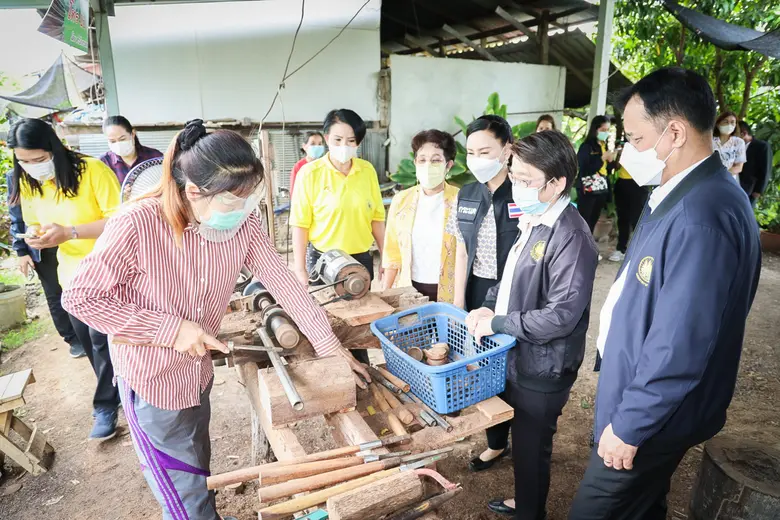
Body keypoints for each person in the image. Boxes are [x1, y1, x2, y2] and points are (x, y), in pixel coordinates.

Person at [61, 120, 371, 520]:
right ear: (194, 191)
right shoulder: (137, 223)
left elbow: (285, 283)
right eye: (232, 201)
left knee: (198, 464)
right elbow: (81, 298)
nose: (244, 211)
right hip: (152, 381)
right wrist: (170, 330)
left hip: (196, 374)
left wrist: (330, 347)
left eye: (250, 198)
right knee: (186, 498)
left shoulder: (243, 223)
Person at [568, 67, 761, 520]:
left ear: (674, 132)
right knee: (642, 504)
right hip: (642, 395)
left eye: (635, 140)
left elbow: (681, 343)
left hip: (652, 416)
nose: (627, 152)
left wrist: (631, 425)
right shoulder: (682, 192)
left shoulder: (702, 214)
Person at [466, 130, 598, 520]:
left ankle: (530, 511)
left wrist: (500, 323)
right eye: (515, 176)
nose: (517, 187)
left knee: (532, 446)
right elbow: (512, 280)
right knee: (523, 444)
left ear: (557, 183)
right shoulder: (537, 218)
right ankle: (524, 502)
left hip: (545, 365)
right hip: (520, 354)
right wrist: (488, 308)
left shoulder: (571, 236)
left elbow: (561, 316)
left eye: (526, 181)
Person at [8, 118, 122, 440]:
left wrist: (71, 232)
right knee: (85, 339)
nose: (32, 167)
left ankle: (105, 406)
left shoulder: (92, 171)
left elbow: (120, 220)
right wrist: (35, 237)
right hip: (70, 273)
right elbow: (33, 221)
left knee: (101, 340)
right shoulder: (28, 182)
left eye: (39, 159)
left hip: (107, 269)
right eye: (24, 161)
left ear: (53, 148)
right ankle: (117, 391)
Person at [290, 109, 385, 288]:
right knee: (325, 313)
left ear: (359, 142)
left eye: (351, 141)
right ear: (327, 138)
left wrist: (385, 257)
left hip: (361, 259)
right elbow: (300, 225)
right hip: (324, 260)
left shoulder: (367, 171)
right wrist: (300, 269)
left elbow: (377, 219)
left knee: (363, 312)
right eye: (338, 140)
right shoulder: (309, 173)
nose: (344, 146)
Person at [6, 168, 83, 358]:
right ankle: (73, 338)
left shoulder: (63, 167)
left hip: (73, 237)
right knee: (55, 293)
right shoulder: (15, 176)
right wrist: (21, 250)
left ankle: (92, 332)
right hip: (42, 245)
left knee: (81, 287)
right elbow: (17, 216)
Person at [447, 115, 518, 312]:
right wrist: (459, 301)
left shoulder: (525, 193)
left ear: (507, 150)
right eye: (471, 153)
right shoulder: (466, 194)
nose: (476, 160)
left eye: (484, 152)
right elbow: (461, 253)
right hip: (476, 287)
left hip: (517, 289)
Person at [382, 129, 459, 302]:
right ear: (415, 162)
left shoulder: (460, 200)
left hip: (449, 291)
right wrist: (385, 294)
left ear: (448, 165)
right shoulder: (401, 201)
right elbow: (392, 252)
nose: (428, 165)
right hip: (409, 289)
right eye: (422, 160)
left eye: (436, 160)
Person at [576, 115, 616, 234]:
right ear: (595, 129)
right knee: (584, 220)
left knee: (594, 220)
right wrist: (602, 158)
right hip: (588, 190)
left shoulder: (604, 146)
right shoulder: (587, 147)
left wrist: (611, 161)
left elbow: (606, 170)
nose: (606, 133)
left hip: (601, 188)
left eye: (608, 130)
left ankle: (589, 245)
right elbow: (584, 168)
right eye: (603, 130)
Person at [100, 115, 163, 184]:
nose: (118, 144)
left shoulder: (154, 157)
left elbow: (167, 184)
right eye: (112, 141)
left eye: (122, 139)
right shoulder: (104, 163)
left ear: (133, 133)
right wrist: (122, 193)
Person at [607, 164, 649, 263]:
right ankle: (621, 249)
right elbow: (614, 166)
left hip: (639, 184)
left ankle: (640, 251)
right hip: (622, 182)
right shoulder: (623, 149)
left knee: (637, 219)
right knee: (623, 218)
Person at [738, 121, 773, 206]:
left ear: (743, 133)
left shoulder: (761, 146)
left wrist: (759, 190)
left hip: (750, 189)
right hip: (735, 185)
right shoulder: (735, 146)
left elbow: (766, 169)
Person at [289, 131, 325, 199]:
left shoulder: (326, 165)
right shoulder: (299, 167)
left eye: (320, 144)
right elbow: (294, 192)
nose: (317, 147)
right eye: (313, 144)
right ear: (304, 146)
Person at [712, 111, 746, 182]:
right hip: (709, 179)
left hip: (728, 180)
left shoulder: (739, 142)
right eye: (726, 122)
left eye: (732, 122)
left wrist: (722, 175)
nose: (729, 125)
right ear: (718, 124)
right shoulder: (709, 141)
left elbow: (739, 167)